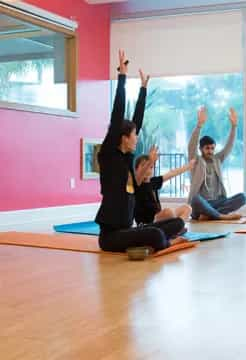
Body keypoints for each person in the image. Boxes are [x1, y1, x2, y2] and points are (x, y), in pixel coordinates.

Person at [94, 50, 185, 253]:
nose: (137, 138)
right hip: (111, 237)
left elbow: (138, 121)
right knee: (155, 235)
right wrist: (122, 76)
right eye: (134, 135)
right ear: (123, 137)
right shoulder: (109, 155)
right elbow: (117, 112)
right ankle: (166, 242)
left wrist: (143, 89)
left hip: (129, 229)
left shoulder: (127, 159)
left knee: (177, 223)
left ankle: (164, 239)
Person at [188, 106, 246, 220]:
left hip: (217, 202)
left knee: (242, 197)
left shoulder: (217, 159)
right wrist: (199, 125)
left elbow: (229, 146)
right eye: (207, 148)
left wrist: (234, 126)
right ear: (201, 149)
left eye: (212, 148)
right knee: (195, 199)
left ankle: (210, 215)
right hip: (201, 204)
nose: (210, 151)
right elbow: (191, 146)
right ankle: (220, 216)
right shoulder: (196, 161)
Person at [134, 155, 195, 224]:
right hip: (146, 223)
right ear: (136, 170)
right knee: (168, 212)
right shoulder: (136, 184)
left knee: (187, 208)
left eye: (151, 167)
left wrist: (188, 167)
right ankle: (175, 226)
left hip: (158, 218)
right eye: (144, 167)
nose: (148, 170)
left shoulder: (153, 181)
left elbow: (172, 173)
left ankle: (177, 226)